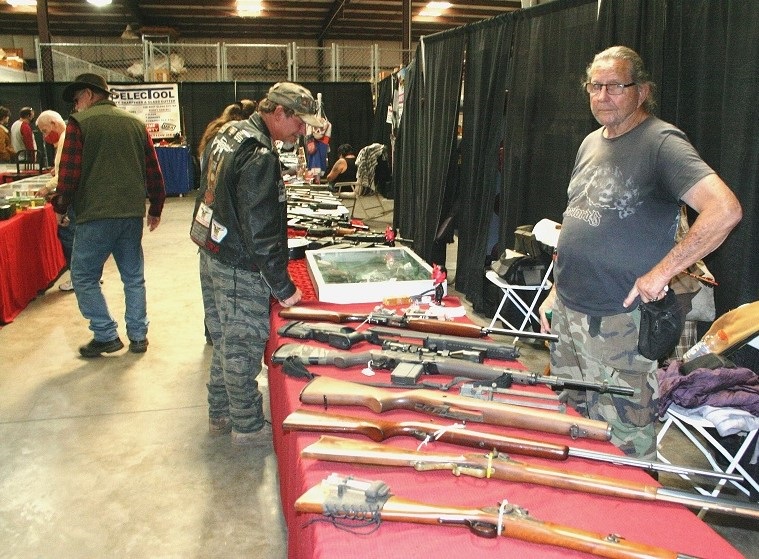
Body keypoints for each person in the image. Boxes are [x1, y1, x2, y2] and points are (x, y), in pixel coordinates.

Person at [538, 46, 742, 460]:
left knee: (627, 444)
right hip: (570, 318)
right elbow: (578, 220)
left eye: (615, 85)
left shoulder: (661, 143)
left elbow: (725, 209)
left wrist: (662, 273)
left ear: (642, 90)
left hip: (621, 323)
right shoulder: (591, 143)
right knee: (574, 429)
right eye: (595, 86)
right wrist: (554, 295)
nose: (602, 95)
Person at [191, 81, 323, 444]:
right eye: (299, 122)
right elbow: (260, 232)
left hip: (213, 249)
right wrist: (284, 288)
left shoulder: (230, 132)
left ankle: (219, 412)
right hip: (239, 263)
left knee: (224, 340)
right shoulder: (260, 155)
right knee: (242, 347)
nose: (303, 130)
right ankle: (247, 425)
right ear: (279, 113)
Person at [52, 73, 166, 357]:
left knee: (83, 276)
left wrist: (60, 207)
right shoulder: (136, 124)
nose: (76, 106)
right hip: (130, 215)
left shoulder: (79, 125)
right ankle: (138, 336)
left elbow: (68, 175)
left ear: (89, 95)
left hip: (94, 215)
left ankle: (105, 334)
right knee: (133, 276)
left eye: (77, 99)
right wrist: (156, 207)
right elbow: (153, 171)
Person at [35, 110, 76, 292]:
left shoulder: (66, 138)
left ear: (53, 123)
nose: (45, 136)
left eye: (44, 130)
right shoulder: (65, 138)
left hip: (70, 197)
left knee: (70, 237)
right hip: (75, 195)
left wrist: (46, 187)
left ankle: (77, 278)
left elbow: (64, 175)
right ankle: (87, 277)